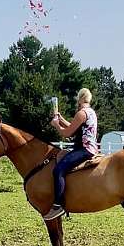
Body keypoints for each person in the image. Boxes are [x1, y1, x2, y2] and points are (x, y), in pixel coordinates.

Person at [44, 88, 98, 221]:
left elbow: (67, 133)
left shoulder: (81, 113)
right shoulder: (90, 112)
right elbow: (73, 127)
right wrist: (61, 118)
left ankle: (58, 205)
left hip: (83, 149)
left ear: (79, 99)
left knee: (58, 170)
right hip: (91, 148)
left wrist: (56, 124)